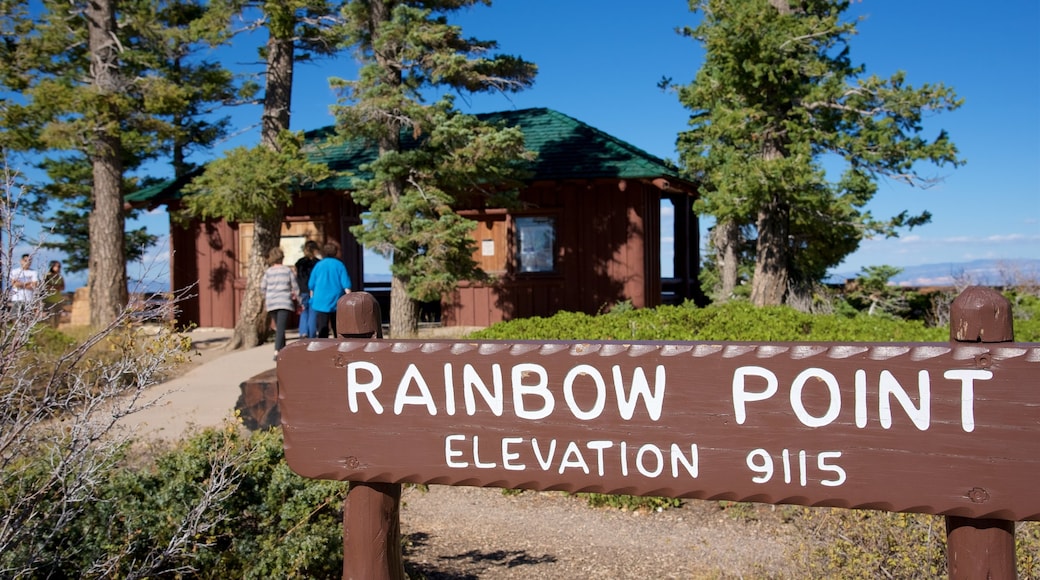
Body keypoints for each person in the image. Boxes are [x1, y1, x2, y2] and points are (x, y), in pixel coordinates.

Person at [308, 240, 352, 339]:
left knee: (322, 327)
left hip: (320, 300)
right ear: (336, 252)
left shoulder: (319, 265)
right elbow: (346, 284)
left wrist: (312, 297)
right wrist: (349, 299)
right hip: (336, 300)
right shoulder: (339, 265)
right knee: (337, 327)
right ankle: (339, 347)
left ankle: (322, 350)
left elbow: (311, 284)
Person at [260, 246, 299, 356]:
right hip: (284, 302)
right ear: (282, 258)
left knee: (279, 326)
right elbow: (295, 287)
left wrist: (267, 296)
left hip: (271, 302)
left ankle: (282, 351)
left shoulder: (268, 272)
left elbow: (262, 287)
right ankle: (277, 350)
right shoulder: (287, 271)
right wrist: (299, 299)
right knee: (281, 328)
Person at [294, 240, 321, 338]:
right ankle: (312, 334)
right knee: (313, 313)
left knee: (304, 311)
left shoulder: (300, 262)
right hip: (315, 291)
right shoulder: (318, 263)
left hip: (302, 290)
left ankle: (303, 332)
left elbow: (297, 276)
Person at [9, 254, 39, 319]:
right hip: (17, 298)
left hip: (29, 299)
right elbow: (14, 284)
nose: (28, 262)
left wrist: (21, 284)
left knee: (27, 318)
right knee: (15, 317)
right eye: (26, 260)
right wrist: (28, 283)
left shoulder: (34, 272)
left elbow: (34, 285)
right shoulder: (15, 271)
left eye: (29, 261)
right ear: (21, 261)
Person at [43, 260, 65, 327]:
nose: (57, 268)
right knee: (48, 318)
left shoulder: (60, 277)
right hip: (48, 300)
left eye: (59, 266)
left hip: (58, 300)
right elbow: (46, 286)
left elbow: (62, 287)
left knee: (57, 318)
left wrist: (53, 287)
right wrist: (56, 287)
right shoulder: (47, 276)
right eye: (56, 266)